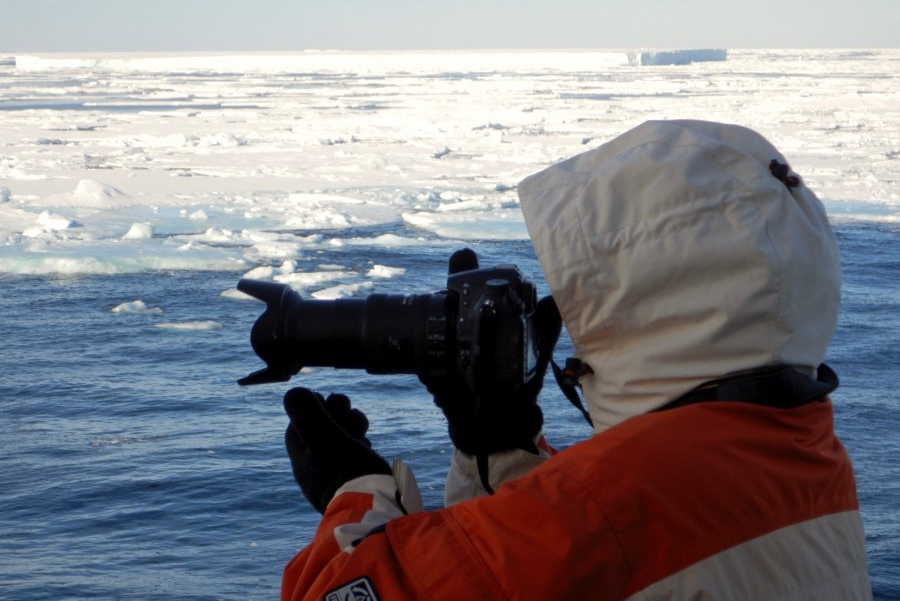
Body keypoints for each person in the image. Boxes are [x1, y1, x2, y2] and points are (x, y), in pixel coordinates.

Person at [279, 120, 871, 600]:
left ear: (652, 303)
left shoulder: (614, 503)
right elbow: (591, 564)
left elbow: (345, 592)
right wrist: (498, 446)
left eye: (588, 301)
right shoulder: (806, 456)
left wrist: (353, 490)